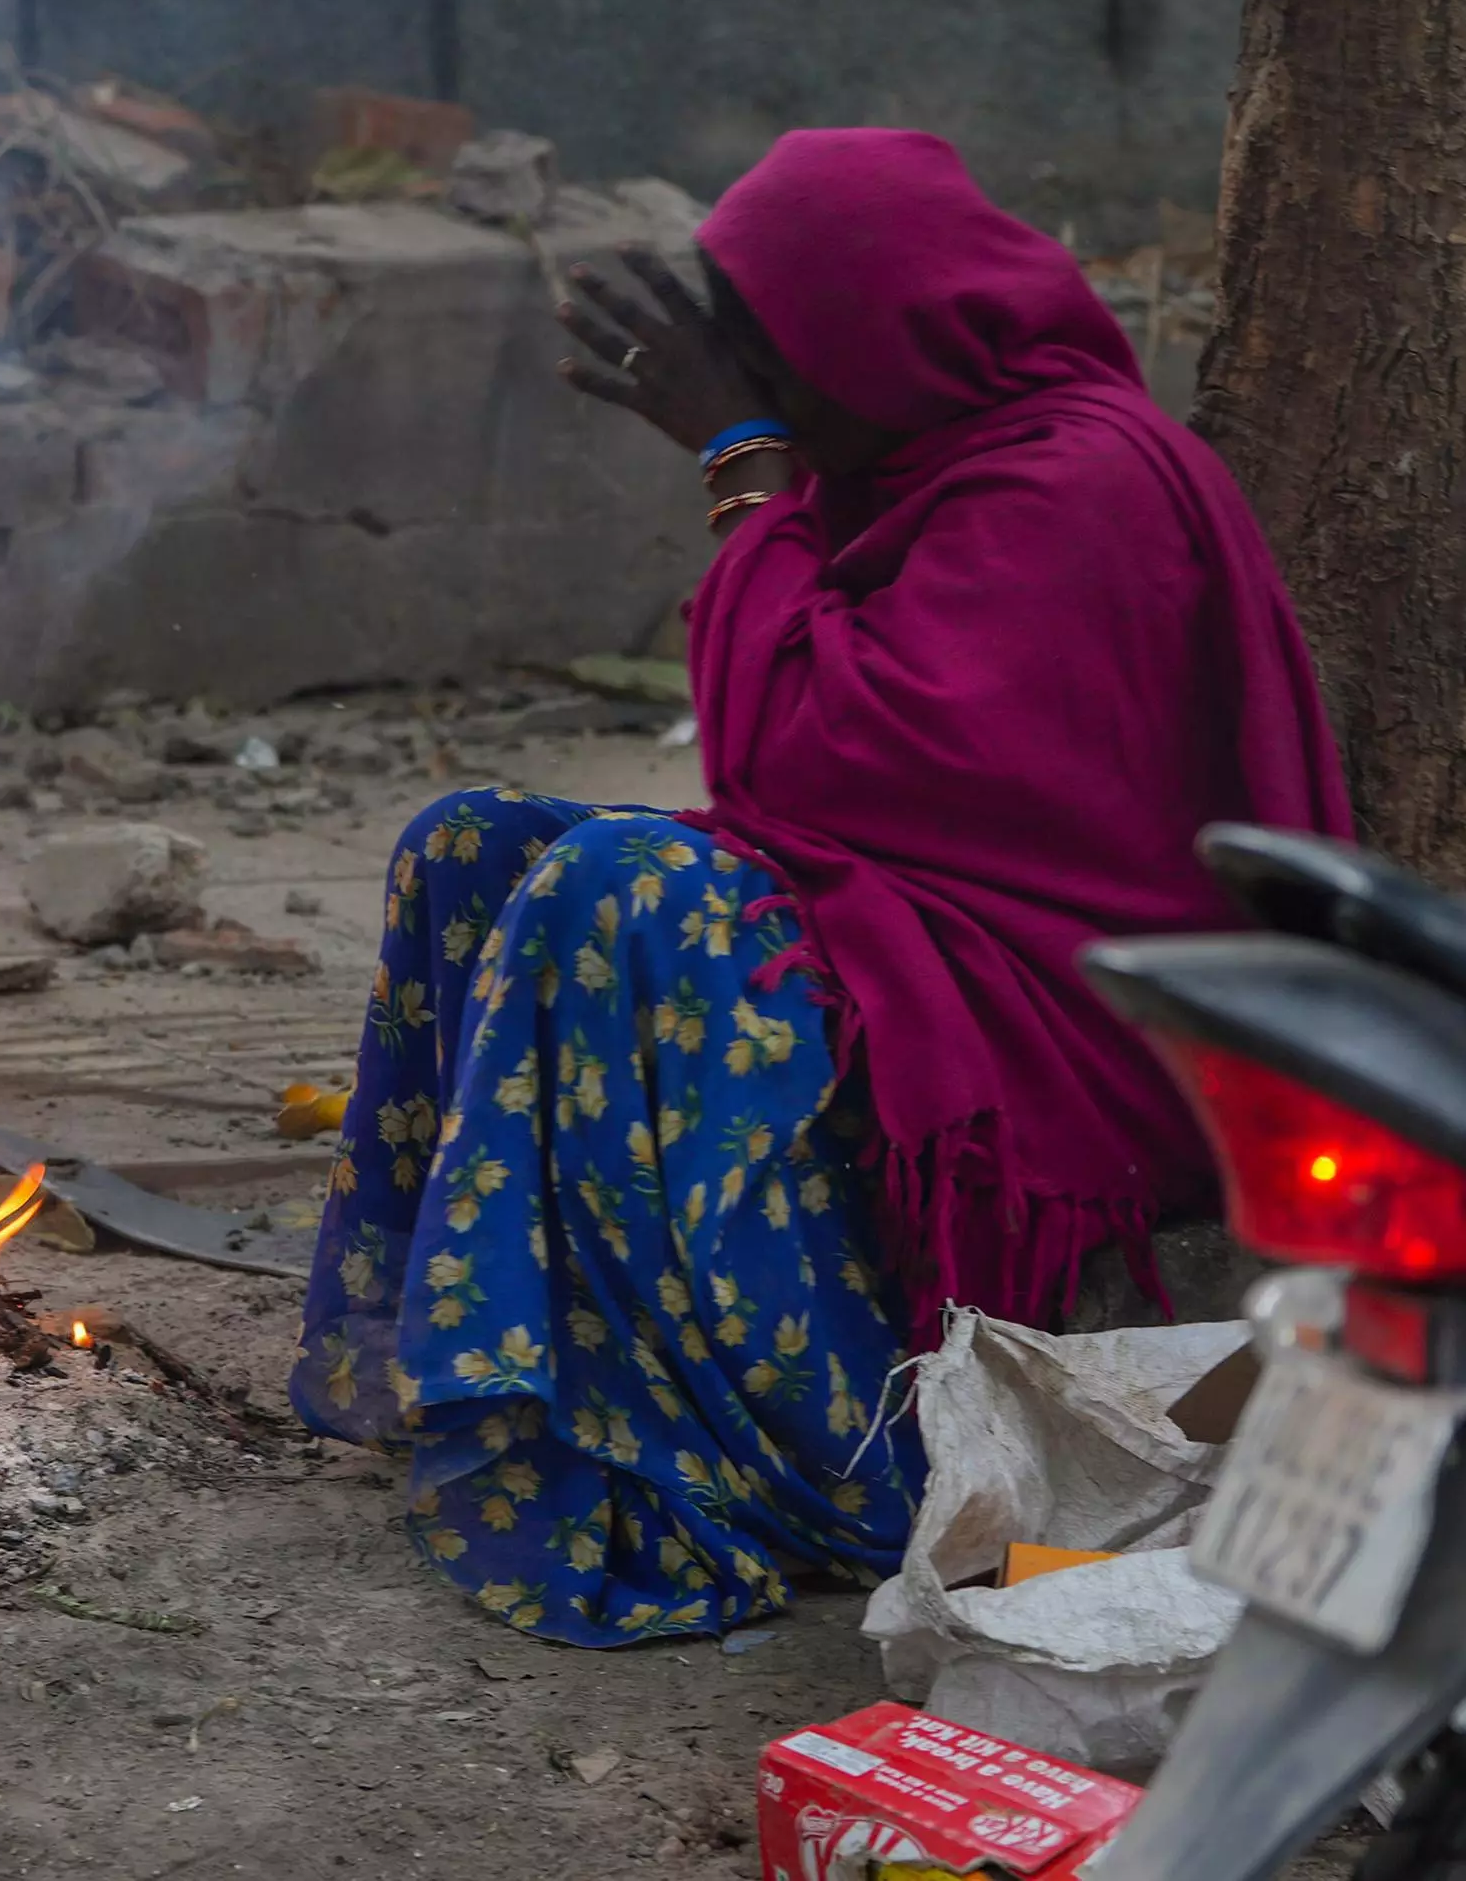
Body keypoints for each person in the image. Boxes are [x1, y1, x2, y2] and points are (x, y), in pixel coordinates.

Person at [290, 127, 1347, 1645]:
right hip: (927, 935)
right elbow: (824, 784)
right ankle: (495, 1373)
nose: (744, 386)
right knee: (473, 848)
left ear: (875, 332)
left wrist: (743, 466)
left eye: (763, 352)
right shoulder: (925, 462)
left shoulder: (1074, 481)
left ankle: (841, 1464)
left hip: (1062, 1028)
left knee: (620, 890)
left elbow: (801, 758)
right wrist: (769, 466)